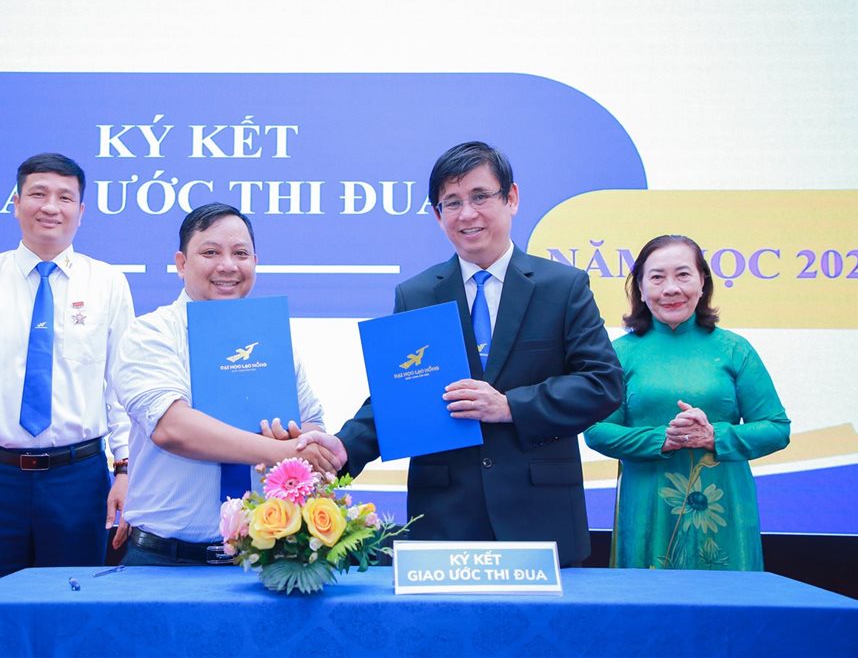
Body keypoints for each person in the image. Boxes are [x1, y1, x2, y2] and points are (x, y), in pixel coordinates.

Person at [292, 141, 623, 567]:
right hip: (445, 517)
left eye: (480, 196)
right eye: (452, 202)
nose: (467, 214)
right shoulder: (416, 294)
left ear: (511, 198)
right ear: (438, 214)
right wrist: (344, 447)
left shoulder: (563, 287)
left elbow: (602, 384)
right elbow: (399, 396)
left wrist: (510, 406)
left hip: (540, 517)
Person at [0, 152, 134, 591]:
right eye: (38, 194)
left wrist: (126, 469)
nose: (51, 207)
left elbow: (122, 388)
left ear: (81, 211)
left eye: (65, 197)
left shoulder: (109, 283)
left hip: (78, 481)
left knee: (72, 612)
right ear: (16, 204)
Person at [110, 202, 336, 566]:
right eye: (211, 252)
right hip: (165, 561)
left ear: (255, 262)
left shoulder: (271, 337)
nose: (228, 265)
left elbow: (312, 427)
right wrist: (280, 451)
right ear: (181, 263)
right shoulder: (150, 333)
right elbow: (172, 428)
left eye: (241, 254)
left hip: (262, 560)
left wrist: (301, 440)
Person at [584, 235, 790, 570]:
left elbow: (777, 429)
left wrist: (713, 436)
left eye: (683, 275)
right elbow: (596, 431)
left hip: (724, 505)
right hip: (648, 506)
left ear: (702, 282)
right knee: (648, 599)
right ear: (640, 288)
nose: (671, 288)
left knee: (725, 598)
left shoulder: (734, 349)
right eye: (657, 277)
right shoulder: (619, 353)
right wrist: (663, 439)